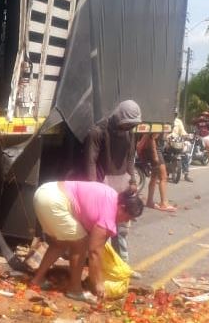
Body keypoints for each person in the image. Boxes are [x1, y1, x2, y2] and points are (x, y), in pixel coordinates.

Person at [31, 181, 144, 302]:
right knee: (80, 244)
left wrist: (94, 276)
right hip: (55, 202)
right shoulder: (109, 215)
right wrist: (99, 283)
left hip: (44, 193)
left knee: (60, 244)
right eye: (127, 217)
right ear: (122, 208)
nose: (125, 221)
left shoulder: (113, 196)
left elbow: (97, 240)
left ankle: (37, 280)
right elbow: (94, 251)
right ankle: (74, 289)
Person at [83, 100, 142, 263]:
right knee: (103, 226)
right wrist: (93, 186)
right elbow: (91, 161)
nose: (129, 128)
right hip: (104, 182)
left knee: (122, 228)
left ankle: (121, 263)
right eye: (127, 124)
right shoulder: (99, 130)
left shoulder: (130, 133)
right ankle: (101, 263)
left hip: (123, 182)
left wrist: (133, 180)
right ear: (118, 116)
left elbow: (130, 158)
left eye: (132, 125)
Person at [139, 133, 176, 212]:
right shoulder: (160, 122)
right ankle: (164, 203)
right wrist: (155, 156)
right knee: (163, 177)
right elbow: (152, 138)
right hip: (156, 152)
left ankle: (149, 201)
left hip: (152, 151)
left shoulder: (154, 123)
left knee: (154, 177)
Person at [171, 111, 193, 182]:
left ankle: (186, 175)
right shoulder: (166, 120)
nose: (174, 115)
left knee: (186, 154)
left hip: (177, 141)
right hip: (167, 141)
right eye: (173, 113)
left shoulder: (178, 122)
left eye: (175, 114)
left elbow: (183, 132)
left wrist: (187, 136)